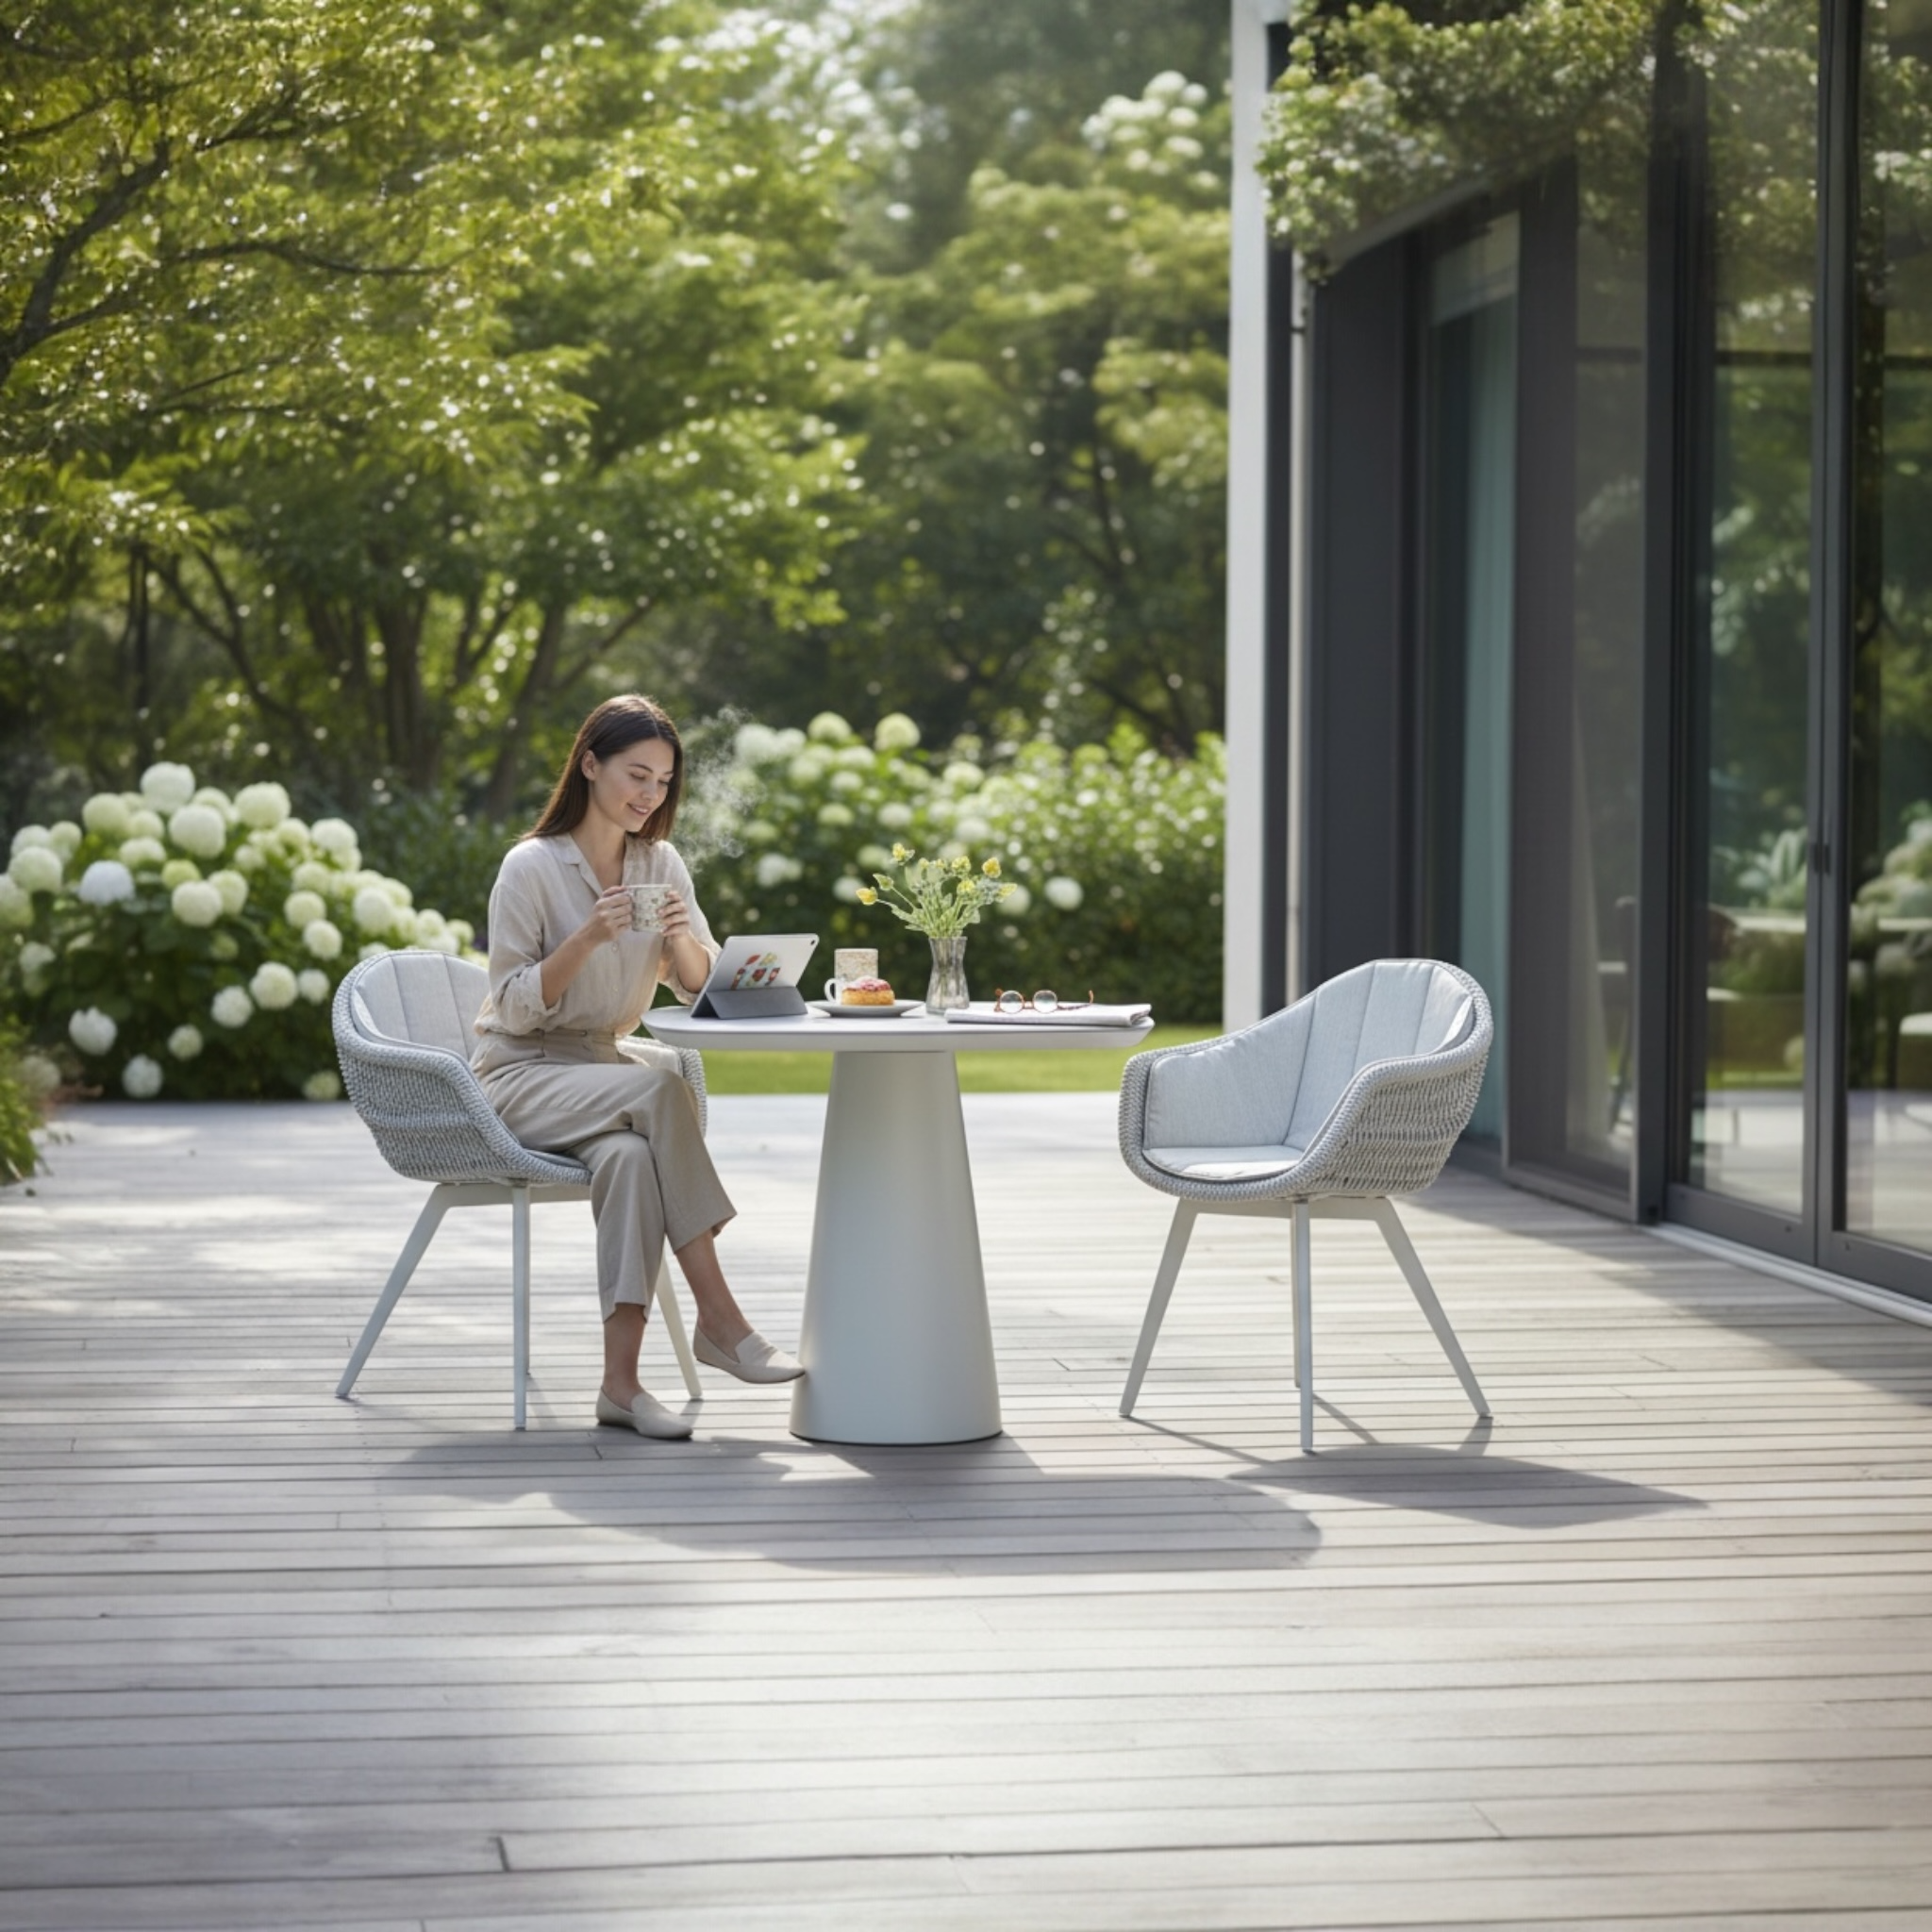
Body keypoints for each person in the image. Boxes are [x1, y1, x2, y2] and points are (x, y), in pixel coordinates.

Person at [471, 693, 803, 1439]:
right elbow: (512, 1005)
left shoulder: (660, 863)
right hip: (518, 1074)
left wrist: (684, 937)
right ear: (590, 765)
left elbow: (696, 983)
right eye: (636, 775)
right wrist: (586, 938)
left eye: (663, 782)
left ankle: (619, 1387)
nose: (649, 796)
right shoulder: (529, 868)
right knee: (661, 1086)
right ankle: (722, 1320)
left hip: (601, 1076)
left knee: (627, 1159)